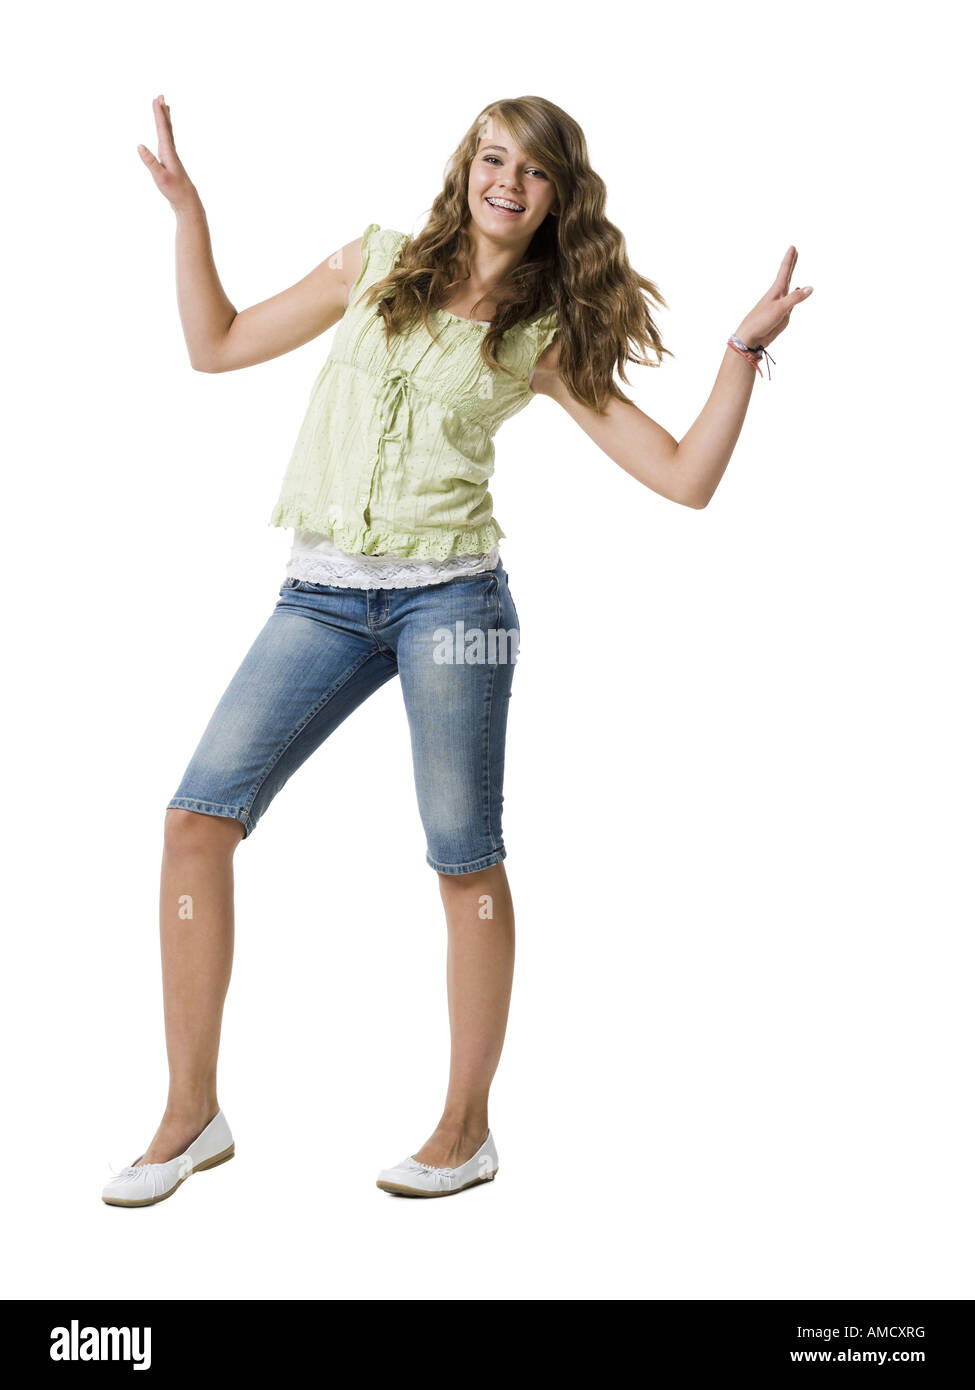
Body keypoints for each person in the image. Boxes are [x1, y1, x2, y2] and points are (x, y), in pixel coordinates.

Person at [102, 94, 813, 1207]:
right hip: (323, 598)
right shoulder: (374, 259)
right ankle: (191, 1113)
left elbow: (683, 476)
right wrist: (189, 212)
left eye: (533, 173)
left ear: (555, 200)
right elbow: (217, 343)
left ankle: (463, 1128)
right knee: (196, 821)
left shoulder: (538, 338)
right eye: (494, 159)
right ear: (466, 169)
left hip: (455, 609)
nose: (507, 183)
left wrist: (737, 351)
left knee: (462, 857)